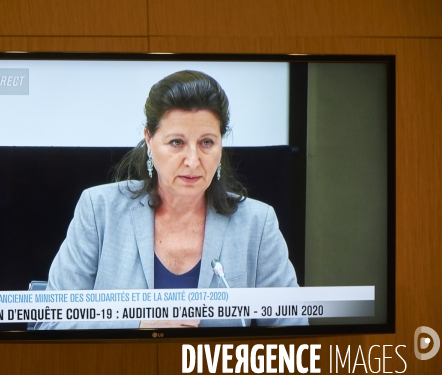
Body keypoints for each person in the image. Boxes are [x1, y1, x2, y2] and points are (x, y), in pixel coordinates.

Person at [39, 70, 306, 329]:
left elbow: (294, 332)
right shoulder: (99, 211)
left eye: (207, 143)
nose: (192, 161)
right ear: (149, 140)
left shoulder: (257, 225)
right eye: (177, 142)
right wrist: (138, 326)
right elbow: (50, 322)